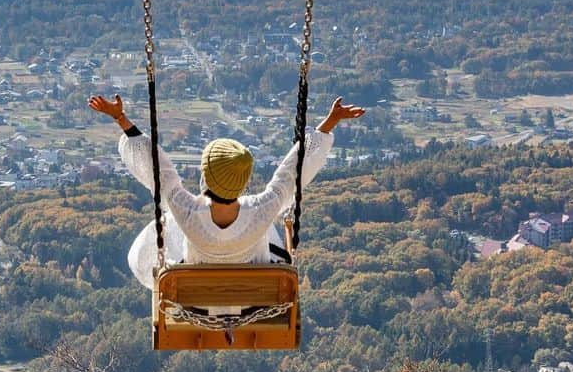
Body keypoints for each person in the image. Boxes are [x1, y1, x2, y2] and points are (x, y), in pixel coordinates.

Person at [88, 93, 365, 288]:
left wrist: (121, 118)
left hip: (195, 302)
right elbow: (292, 171)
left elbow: (158, 168)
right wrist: (329, 122)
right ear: (244, 180)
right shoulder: (261, 209)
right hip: (255, 301)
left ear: (206, 174)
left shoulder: (188, 211)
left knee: (166, 229)